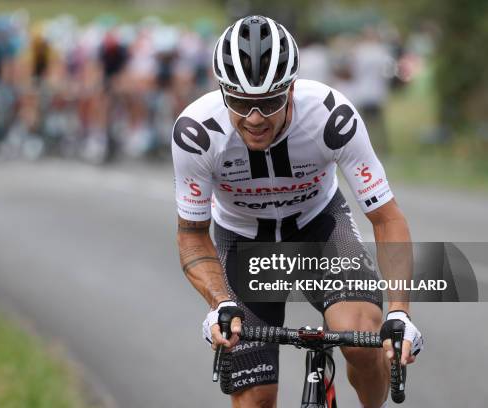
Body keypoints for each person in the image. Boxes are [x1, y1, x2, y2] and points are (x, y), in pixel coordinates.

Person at [172, 16, 423, 407]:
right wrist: (220, 302)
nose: (254, 118)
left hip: (317, 229)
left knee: (360, 341)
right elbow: (191, 232)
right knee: (255, 397)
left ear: (291, 89)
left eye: (269, 102)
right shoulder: (197, 133)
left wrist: (400, 313)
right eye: (239, 102)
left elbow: (386, 217)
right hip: (242, 243)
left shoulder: (330, 115)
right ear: (221, 91)